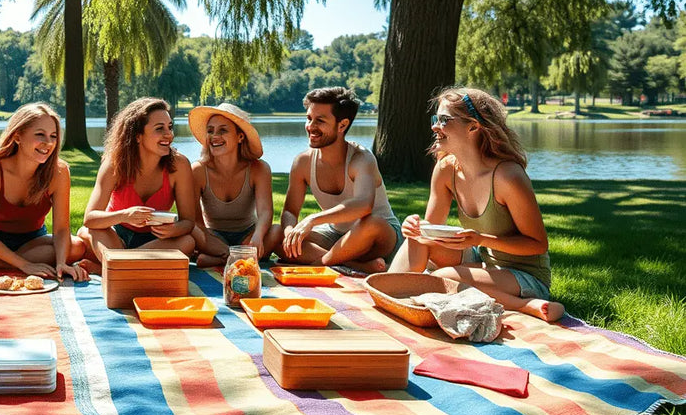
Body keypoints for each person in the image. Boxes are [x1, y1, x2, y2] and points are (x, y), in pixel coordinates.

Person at [390, 87, 564, 322]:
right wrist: (416, 228)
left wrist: (481, 240)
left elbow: (538, 244)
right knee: (419, 241)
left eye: (444, 120)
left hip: (525, 275)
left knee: (442, 278)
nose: (434, 126)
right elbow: (431, 231)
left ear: (473, 126)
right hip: (484, 262)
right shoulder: (445, 169)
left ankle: (523, 305)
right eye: (435, 119)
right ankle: (392, 293)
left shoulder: (507, 176)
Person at [0, 103, 89, 280]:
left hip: (34, 243)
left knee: (77, 246)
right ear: (17, 136)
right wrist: (24, 265)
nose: (48, 143)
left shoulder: (59, 172)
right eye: (40, 135)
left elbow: (61, 230)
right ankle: (15, 264)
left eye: (53, 136)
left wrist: (61, 263)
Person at [278, 87, 402, 273]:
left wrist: (312, 219)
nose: (310, 126)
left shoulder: (361, 159)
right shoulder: (302, 162)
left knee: (371, 223)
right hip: (335, 236)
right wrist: (289, 235)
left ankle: (320, 264)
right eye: (309, 118)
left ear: (342, 125)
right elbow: (289, 210)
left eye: (320, 121)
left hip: (378, 237)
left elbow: (363, 205)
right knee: (275, 235)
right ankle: (351, 265)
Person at [78, 98, 196, 266]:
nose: (169, 134)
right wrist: (125, 215)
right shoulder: (114, 163)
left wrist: (174, 229)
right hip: (117, 235)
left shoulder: (179, 165)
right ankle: (125, 264)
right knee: (93, 231)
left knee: (187, 242)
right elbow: (90, 218)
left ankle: (115, 265)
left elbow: (188, 222)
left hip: (156, 241)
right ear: (138, 136)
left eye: (170, 127)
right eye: (159, 129)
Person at [188, 103, 279, 267]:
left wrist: (258, 236)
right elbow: (196, 222)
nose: (215, 136)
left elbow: (265, 212)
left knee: (277, 230)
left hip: (247, 235)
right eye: (210, 131)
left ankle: (222, 260)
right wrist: (209, 243)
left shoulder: (259, 168)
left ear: (240, 137)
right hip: (213, 236)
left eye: (223, 130)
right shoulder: (198, 170)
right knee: (191, 232)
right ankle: (241, 259)